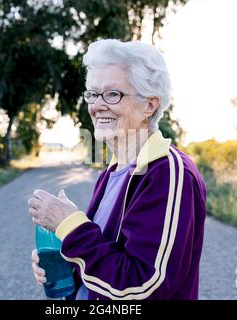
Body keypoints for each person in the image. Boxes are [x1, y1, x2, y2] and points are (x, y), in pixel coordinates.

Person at [29, 39, 207, 300]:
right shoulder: (111, 173)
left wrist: (70, 225)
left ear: (149, 105)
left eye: (113, 94)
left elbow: (143, 285)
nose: (97, 105)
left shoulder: (169, 173)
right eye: (92, 93)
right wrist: (66, 261)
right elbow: (104, 263)